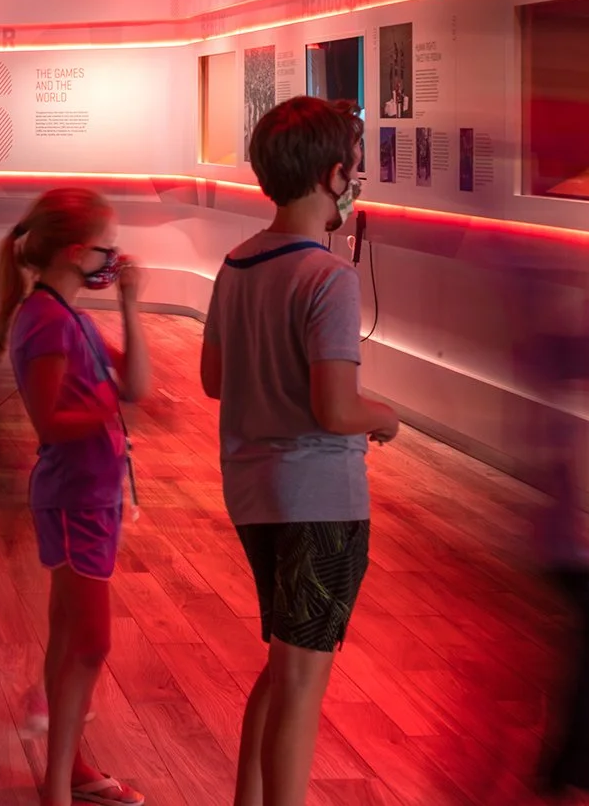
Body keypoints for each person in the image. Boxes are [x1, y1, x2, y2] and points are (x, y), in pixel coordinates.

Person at [201, 96, 397, 806]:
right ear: (334, 174)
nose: (356, 179)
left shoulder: (236, 265)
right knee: (303, 681)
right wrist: (388, 417)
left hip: (252, 492)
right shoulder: (328, 278)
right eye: (354, 165)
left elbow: (213, 380)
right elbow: (336, 409)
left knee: (284, 666)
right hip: (320, 499)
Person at [0, 187, 150, 806]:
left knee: (70, 637)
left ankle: (69, 771)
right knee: (89, 643)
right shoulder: (45, 321)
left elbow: (135, 384)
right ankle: (59, 784)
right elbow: (50, 421)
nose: (115, 260)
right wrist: (106, 404)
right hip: (73, 499)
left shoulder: (74, 319)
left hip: (93, 494)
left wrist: (131, 305)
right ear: (74, 251)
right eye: (107, 249)